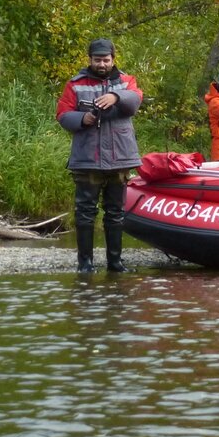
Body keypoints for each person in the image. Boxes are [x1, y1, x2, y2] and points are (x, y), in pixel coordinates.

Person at [56, 38, 143, 273]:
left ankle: (115, 263)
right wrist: (81, 119)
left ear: (113, 59)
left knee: (115, 213)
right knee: (85, 213)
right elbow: (63, 114)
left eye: (106, 60)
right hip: (88, 158)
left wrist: (116, 97)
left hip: (120, 158)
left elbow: (135, 101)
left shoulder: (127, 81)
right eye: (97, 60)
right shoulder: (75, 84)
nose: (102, 64)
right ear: (90, 60)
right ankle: (85, 264)